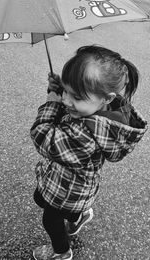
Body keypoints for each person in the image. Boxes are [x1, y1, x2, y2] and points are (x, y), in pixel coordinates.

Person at [30, 45, 147, 260]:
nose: (66, 100)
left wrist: (51, 103)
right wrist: (57, 90)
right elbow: (72, 105)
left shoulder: (88, 133)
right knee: (40, 197)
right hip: (73, 183)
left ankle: (61, 252)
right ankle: (79, 215)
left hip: (68, 191)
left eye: (76, 96)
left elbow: (44, 138)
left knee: (50, 219)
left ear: (107, 98)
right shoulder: (96, 108)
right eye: (66, 90)